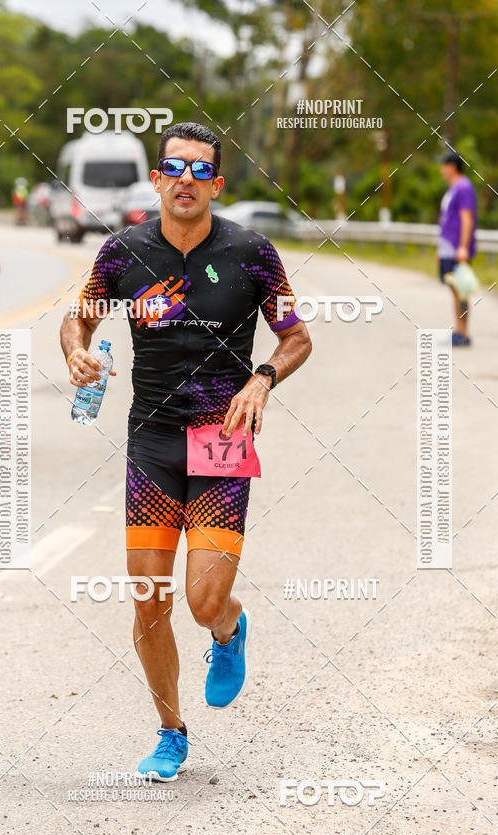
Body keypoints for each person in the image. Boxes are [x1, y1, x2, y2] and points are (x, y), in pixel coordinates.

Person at [60, 122, 312, 781]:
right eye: (175, 168)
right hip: (152, 439)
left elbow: (296, 337)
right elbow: (79, 316)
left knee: (202, 602)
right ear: (158, 178)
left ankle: (229, 632)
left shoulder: (253, 254)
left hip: (222, 437)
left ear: (217, 185)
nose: (186, 181)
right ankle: (171, 731)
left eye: (201, 171)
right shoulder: (123, 252)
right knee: (149, 597)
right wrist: (77, 350)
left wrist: (264, 378)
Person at [437, 150, 477, 347]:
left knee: (460, 290)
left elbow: (466, 218)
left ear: (452, 166)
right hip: (447, 247)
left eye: (443, 165)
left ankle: (463, 332)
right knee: (454, 289)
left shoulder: (463, 187)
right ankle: (459, 329)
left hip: (456, 248)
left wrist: (463, 247)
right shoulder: (453, 188)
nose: (441, 169)